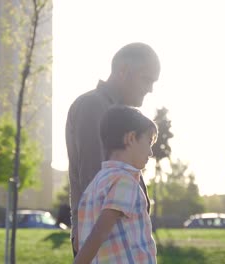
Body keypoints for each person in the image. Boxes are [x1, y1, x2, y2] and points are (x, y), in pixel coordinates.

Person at [65, 42, 160, 256]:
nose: (150, 88)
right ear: (123, 71)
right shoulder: (94, 107)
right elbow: (96, 179)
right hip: (106, 245)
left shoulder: (116, 114)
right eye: (146, 79)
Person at [73, 106, 158, 264]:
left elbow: (80, 240)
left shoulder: (94, 186)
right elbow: (99, 232)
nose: (151, 152)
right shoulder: (125, 181)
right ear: (131, 138)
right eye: (149, 142)